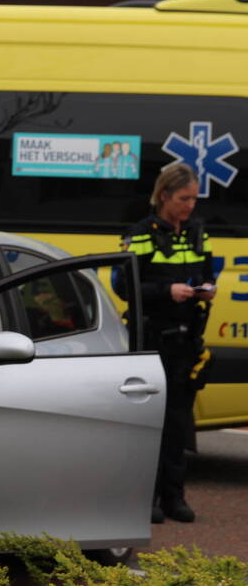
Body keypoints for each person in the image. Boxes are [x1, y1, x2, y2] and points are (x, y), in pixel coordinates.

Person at [120, 163, 215, 523]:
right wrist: (166, 291)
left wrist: (207, 290)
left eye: (194, 198)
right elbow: (125, 286)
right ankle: (145, 500)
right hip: (151, 339)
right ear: (164, 196)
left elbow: (207, 273)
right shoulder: (141, 233)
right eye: (184, 198)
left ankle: (175, 498)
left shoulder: (197, 232)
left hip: (185, 341)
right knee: (147, 423)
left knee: (177, 423)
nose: (191, 205)